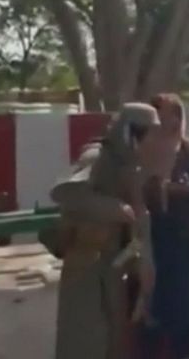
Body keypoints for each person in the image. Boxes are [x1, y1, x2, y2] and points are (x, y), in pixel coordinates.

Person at [47, 103, 163, 359]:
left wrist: (145, 260)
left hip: (114, 264)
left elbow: (139, 215)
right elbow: (64, 192)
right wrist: (113, 208)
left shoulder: (131, 165)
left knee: (114, 341)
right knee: (84, 338)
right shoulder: (96, 157)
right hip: (85, 263)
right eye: (146, 132)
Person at [136, 93, 189, 359]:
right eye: (158, 114)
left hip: (183, 249)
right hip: (149, 245)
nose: (165, 120)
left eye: (171, 114)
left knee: (184, 324)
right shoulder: (139, 152)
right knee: (149, 322)